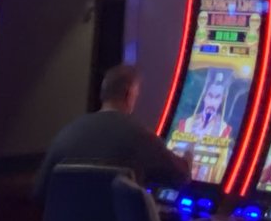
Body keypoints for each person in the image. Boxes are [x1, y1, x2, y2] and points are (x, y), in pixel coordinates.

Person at [33, 63, 188, 197]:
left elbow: (39, 192)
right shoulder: (138, 135)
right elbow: (181, 177)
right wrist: (188, 155)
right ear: (129, 95)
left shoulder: (67, 133)